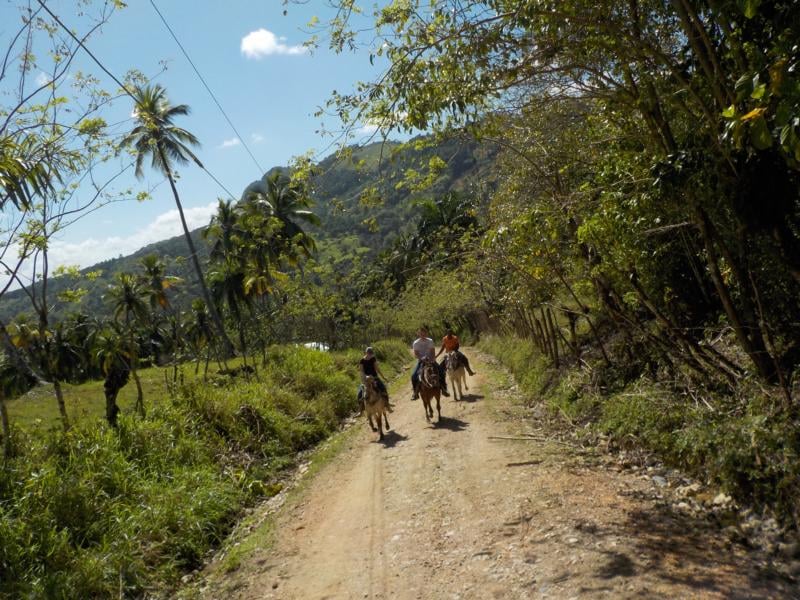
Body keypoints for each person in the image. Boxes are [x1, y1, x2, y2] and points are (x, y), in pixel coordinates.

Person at [410, 327, 449, 400]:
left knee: (441, 372)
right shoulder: (416, 343)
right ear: (418, 334)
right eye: (421, 333)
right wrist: (422, 358)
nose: (422, 335)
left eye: (424, 333)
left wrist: (432, 359)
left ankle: (444, 389)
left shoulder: (430, 341)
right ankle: (415, 393)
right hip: (421, 361)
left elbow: (432, 351)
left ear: (426, 333)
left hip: (431, 360)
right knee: (414, 376)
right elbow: (416, 354)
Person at [358, 347, 392, 411]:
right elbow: (361, 371)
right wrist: (366, 377)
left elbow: (377, 369)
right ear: (366, 353)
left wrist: (383, 377)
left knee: (383, 388)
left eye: (371, 353)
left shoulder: (373, 359)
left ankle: (387, 405)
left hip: (375, 377)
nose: (370, 354)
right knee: (360, 393)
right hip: (366, 379)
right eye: (369, 353)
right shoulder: (361, 361)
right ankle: (360, 410)